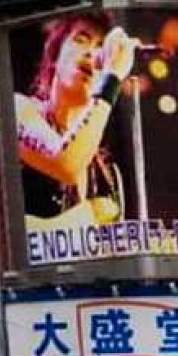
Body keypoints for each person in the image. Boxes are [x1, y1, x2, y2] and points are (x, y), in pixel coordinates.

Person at [15, 12, 139, 234]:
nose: (92, 54)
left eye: (102, 48)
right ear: (54, 55)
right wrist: (90, 215)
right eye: (81, 40)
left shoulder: (107, 175)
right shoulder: (20, 110)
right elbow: (66, 163)